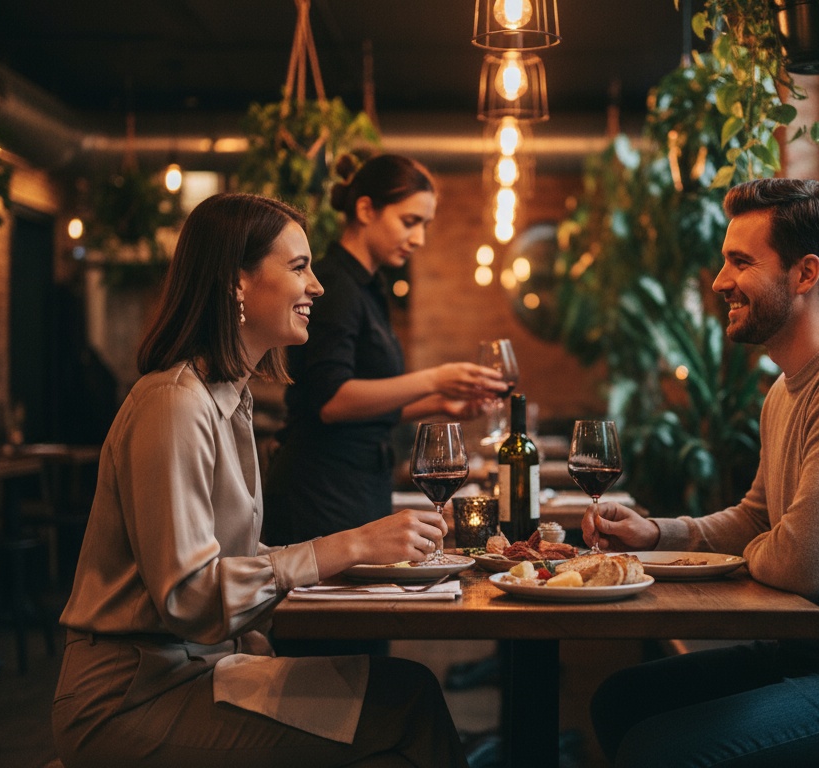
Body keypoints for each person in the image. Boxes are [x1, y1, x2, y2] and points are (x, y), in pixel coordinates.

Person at [53, 193, 468, 768]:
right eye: (299, 267)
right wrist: (348, 545)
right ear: (236, 283)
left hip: (203, 670)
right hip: (130, 700)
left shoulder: (229, 399)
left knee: (408, 694)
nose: (318, 286)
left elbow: (235, 561)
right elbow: (189, 596)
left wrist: (360, 557)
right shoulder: (174, 404)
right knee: (406, 705)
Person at [583, 179, 819, 767]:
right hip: (816, 659)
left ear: (805, 273)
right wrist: (656, 534)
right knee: (621, 699)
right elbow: (759, 519)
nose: (720, 282)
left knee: (658, 752)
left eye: (740, 262)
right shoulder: (784, 390)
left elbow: (807, 566)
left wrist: (772, 545)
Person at [262, 153, 505, 546]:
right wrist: (434, 378)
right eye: (410, 222)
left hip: (358, 485)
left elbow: (363, 410)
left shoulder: (369, 289)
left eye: (425, 225)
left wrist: (440, 404)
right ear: (365, 209)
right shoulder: (336, 286)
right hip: (321, 490)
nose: (419, 238)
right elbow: (333, 402)